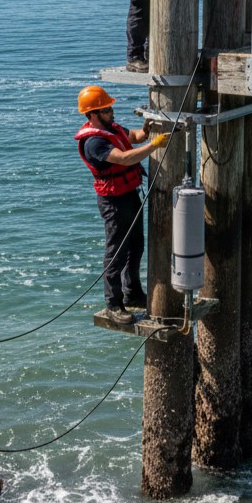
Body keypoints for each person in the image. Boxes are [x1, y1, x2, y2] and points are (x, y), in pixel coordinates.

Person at [74, 85, 170, 324]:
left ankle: (132, 293)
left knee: (136, 246)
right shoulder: (94, 143)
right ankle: (113, 304)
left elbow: (133, 137)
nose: (111, 112)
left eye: (110, 108)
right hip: (113, 202)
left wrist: (146, 131)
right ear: (92, 115)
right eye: (106, 110)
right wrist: (154, 146)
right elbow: (126, 158)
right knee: (116, 252)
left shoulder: (112, 128)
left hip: (129, 194)